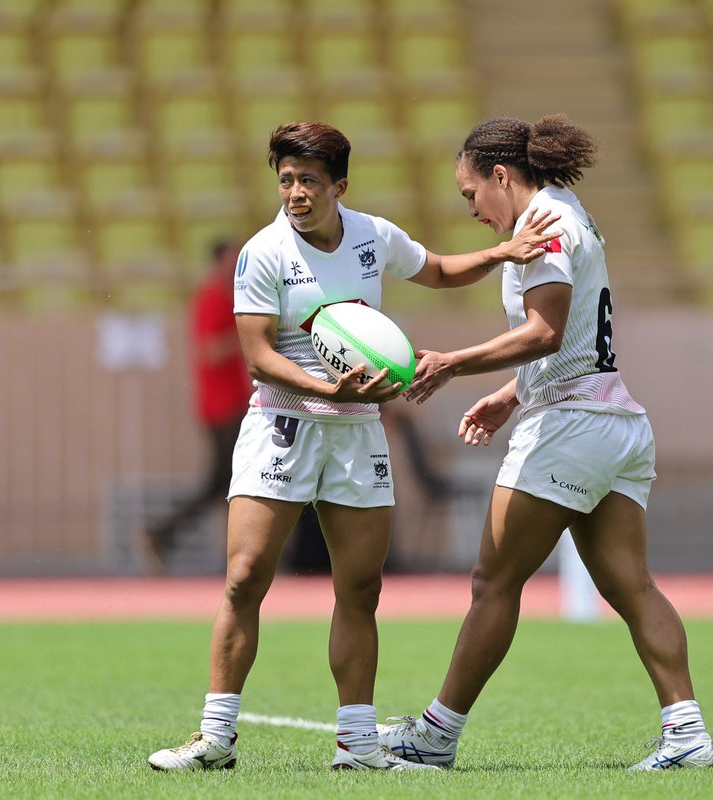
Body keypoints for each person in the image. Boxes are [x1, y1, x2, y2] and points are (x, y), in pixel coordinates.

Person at [146, 121, 559, 773]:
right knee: (245, 577)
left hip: (356, 432)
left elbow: (440, 269)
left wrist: (502, 255)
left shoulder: (372, 236)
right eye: (285, 180)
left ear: (340, 185)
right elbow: (256, 356)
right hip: (281, 424)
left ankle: (358, 746)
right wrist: (321, 387)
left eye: (309, 180)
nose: (295, 193)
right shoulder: (262, 254)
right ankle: (215, 738)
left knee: (361, 588)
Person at [375, 115, 713, 771]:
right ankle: (688, 733)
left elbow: (546, 333)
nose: (472, 209)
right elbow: (576, 334)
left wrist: (452, 361)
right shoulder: (569, 212)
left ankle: (436, 735)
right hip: (614, 423)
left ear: (501, 176)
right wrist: (511, 395)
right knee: (632, 586)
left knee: (493, 582)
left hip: (570, 429)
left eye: (471, 193)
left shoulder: (550, 226)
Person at [143, 239, 251, 574]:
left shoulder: (229, 299)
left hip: (231, 405)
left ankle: (163, 534)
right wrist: (250, 335)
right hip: (223, 408)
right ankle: (163, 533)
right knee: (231, 483)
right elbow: (211, 350)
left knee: (224, 483)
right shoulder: (212, 300)